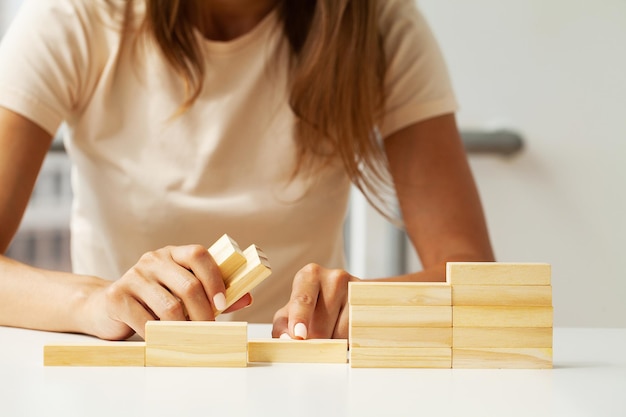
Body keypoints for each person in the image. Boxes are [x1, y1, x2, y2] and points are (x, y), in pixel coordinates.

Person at [0, 0, 494, 341]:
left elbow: (473, 277)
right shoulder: (78, 15)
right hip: (125, 363)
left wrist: (368, 304)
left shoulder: (381, 26)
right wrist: (96, 302)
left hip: (300, 377)